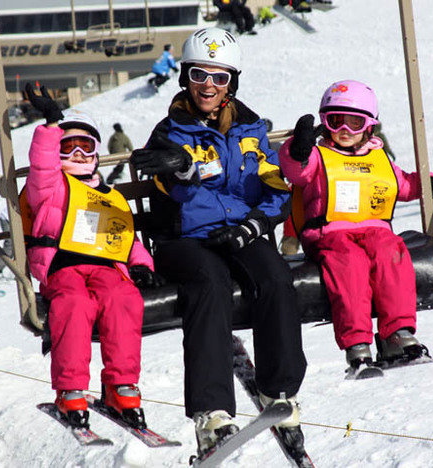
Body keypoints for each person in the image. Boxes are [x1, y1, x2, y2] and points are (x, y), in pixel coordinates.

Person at [130, 28, 307, 460]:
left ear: (232, 83)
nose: (208, 86)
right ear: (185, 78)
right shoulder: (169, 132)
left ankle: (278, 391)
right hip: (184, 239)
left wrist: (254, 226)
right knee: (209, 286)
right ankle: (212, 413)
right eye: (199, 75)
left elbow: (273, 186)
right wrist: (182, 168)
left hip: (237, 232)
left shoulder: (249, 128)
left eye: (219, 77)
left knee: (276, 277)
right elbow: (162, 179)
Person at [278, 80, 433, 373]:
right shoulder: (317, 156)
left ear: (370, 126)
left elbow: (402, 185)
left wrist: (431, 184)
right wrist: (297, 150)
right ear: (325, 123)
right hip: (330, 234)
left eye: (355, 123)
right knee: (350, 263)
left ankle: (396, 334)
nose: (345, 131)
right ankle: (357, 343)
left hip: (375, 232)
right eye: (336, 122)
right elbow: (295, 172)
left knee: (392, 250)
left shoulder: (379, 157)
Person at [22, 83, 164, 429]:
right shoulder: (51, 188)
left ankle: (121, 385)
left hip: (105, 267)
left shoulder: (110, 196)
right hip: (64, 267)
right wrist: (51, 127)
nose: (79, 154)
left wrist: (142, 265)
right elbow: (40, 169)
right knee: (74, 304)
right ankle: (70, 389)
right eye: (68, 147)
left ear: (97, 151)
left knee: (123, 298)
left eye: (86, 146)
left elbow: (125, 237)